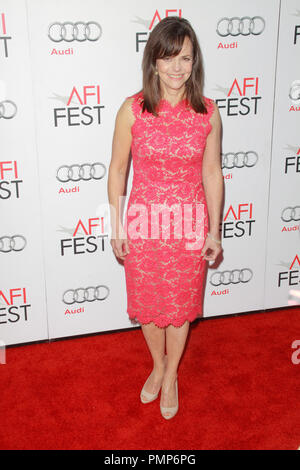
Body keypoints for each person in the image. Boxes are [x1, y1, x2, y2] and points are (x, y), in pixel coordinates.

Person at [107, 16, 223, 420]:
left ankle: (171, 375)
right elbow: (118, 169)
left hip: (189, 226)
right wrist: (116, 224)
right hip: (144, 224)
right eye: (169, 57)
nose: (177, 67)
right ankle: (158, 364)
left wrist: (216, 230)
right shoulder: (132, 110)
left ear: (195, 63)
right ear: (153, 60)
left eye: (185, 58)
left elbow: (212, 173)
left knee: (179, 307)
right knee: (149, 307)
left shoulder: (208, 112)